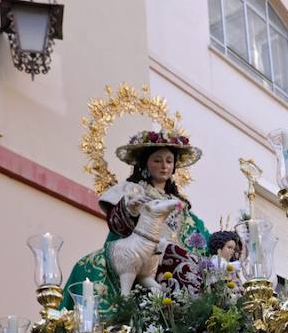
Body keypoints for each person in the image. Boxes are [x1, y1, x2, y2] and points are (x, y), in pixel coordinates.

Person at [64, 129, 211, 303]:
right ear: (145, 163)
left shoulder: (179, 203)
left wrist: (221, 244)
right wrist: (130, 209)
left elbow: (197, 233)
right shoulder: (132, 190)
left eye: (169, 161)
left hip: (174, 256)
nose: (164, 166)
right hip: (143, 254)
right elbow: (117, 222)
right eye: (158, 160)